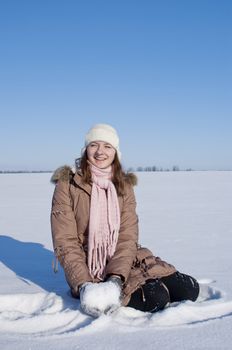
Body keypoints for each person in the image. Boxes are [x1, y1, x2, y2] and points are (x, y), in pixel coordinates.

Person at [50, 123, 199, 317]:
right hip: (90, 265)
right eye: (94, 145)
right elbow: (65, 242)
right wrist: (84, 284)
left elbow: (127, 236)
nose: (100, 152)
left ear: (116, 152)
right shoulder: (67, 184)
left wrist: (116, 278)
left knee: (189, 289)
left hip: (126, 254)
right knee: (157, 298)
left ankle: (121, 280)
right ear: (86, 149)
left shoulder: (124, 185)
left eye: (107, 146)